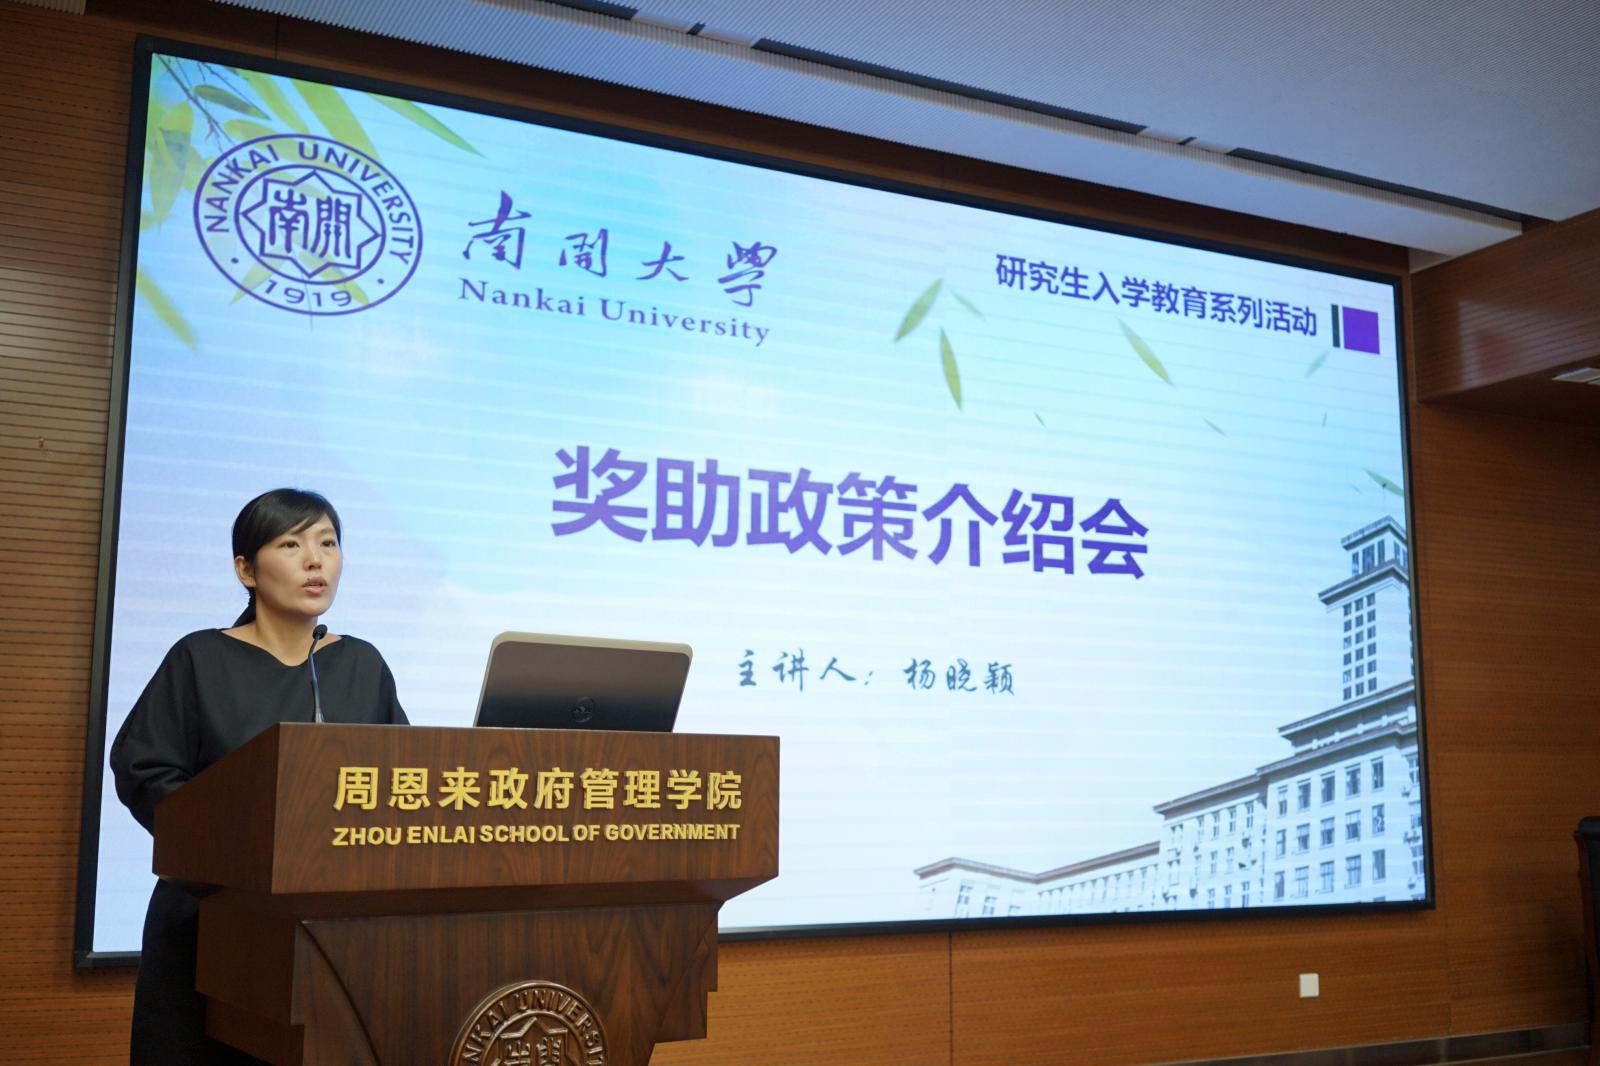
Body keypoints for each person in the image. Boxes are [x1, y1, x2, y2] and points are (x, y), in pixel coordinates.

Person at [110, 488, 408, 1064]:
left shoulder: (361, 663)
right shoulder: (200, 658)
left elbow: (402, 780)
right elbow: (145, 769)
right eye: (291, 545)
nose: (315, 560)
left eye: (328, 543)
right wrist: (239, 848)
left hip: (332, 932)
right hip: (210, 915)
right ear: (246, 570)